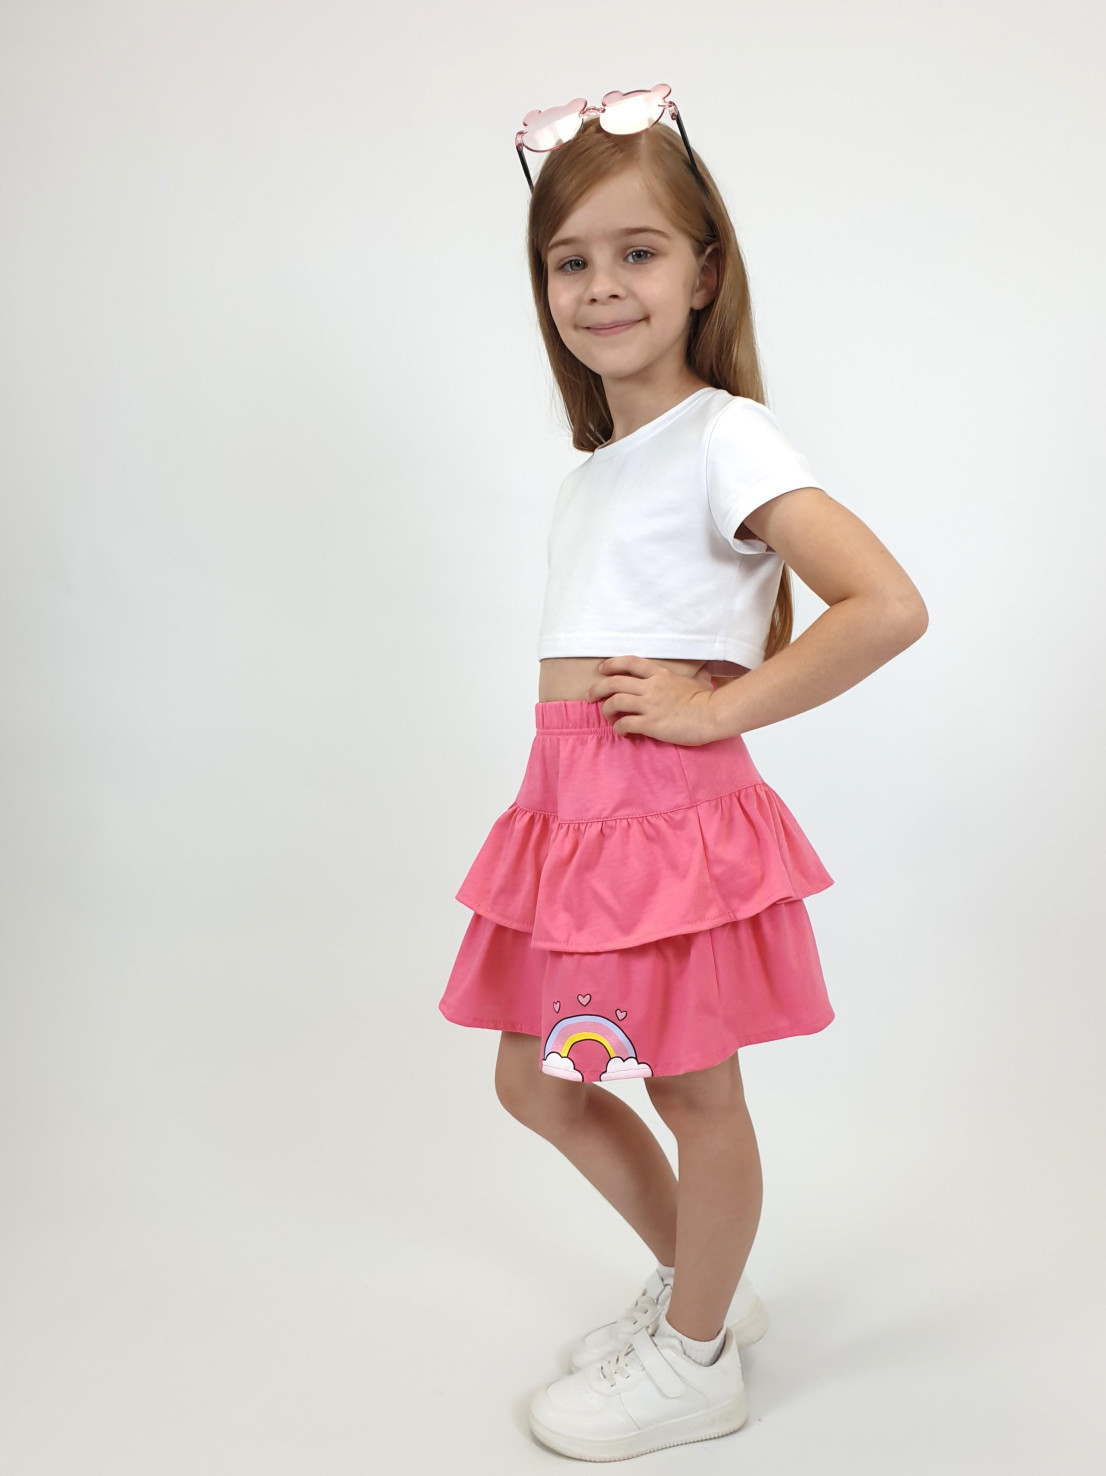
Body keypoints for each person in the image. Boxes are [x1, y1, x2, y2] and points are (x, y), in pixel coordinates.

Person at [437, 85, 928, 1462]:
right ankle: (707, 1286)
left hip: (660, 813)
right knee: (540, 1079)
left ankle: (696, 1359)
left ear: (704, 270)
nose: (601, 286)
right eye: (570, 260)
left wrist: (718, 714)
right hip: (572, 810)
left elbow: (884, 606)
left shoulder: (727, 435)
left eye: (638, 251)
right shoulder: (598, 466)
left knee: (692, 1091)